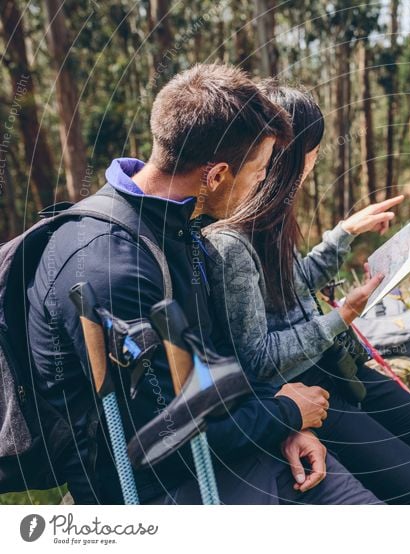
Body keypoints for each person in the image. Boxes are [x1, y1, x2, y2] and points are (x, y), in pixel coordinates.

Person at [26, 64, 380, 505]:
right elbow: (165, 437)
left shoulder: (174, 227)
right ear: (216, 176)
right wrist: (286, 412)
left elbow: (218, 358)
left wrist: (283, 423)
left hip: (231, 441)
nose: (262, 184)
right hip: (162, 490)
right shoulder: (114, 271)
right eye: (259, 171)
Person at [203, 82, 410, 504]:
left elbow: (290, 288)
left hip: (335, 364)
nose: (318, 157)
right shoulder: (231, 241)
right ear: (286, 153)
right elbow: (256, 356)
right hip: (303, 388)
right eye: (314, 146)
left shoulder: (270, 218)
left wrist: (344, 233)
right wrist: (341, 316)